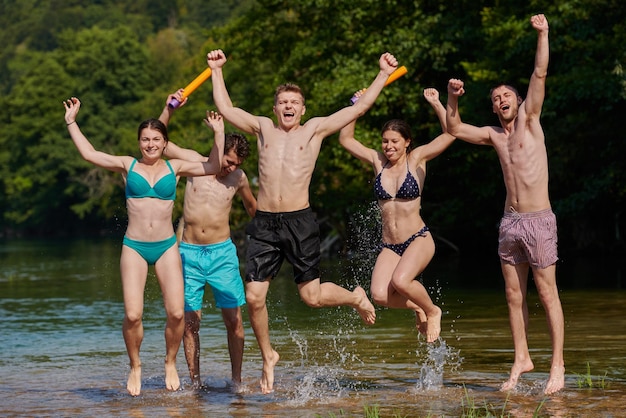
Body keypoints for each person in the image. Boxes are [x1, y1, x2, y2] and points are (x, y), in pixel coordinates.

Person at [206, 48, 399, 394]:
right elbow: (227, 109)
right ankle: (268, 356)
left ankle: (355, 297)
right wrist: (216, 70)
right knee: (253, 297)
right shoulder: (263, 128)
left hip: (299, 222)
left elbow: (359, 108)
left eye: (294, 102)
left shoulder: (314, 129)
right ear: (275, 106)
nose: (289, 107)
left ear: (303, 108)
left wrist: (382, 74)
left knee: (311, 296)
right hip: (265, 223)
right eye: (283, 102)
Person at [63, 97, 223, 396]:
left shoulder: (175, 168)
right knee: (133, 314)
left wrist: (218, 133)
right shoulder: (127, 165)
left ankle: (170, 362)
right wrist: (72, 121)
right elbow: (89, 154)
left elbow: (214, 165)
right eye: (145, 139)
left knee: (177, 313)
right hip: (135, 246)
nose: (150, 144)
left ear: (165, 142)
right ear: (139, 142)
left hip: (165, 247)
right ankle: (135, 366)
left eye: (156, 139)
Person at [445, 14, 565, 395]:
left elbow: (540, 73)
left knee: (547, 294)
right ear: (494, 109)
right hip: (510, 224)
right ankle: (521, 358)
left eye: (506, 96)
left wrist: (543, 33)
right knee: (514, 296)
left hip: (539, 220)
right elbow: (453, 128)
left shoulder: (531, 120)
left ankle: (558, 365)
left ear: (518, 100)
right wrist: (451, 97)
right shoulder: (494, 136)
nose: (501, 101)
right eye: (496, 99)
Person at [339, 88, 455, 343]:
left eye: (394, 141)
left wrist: (437, 103)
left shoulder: (417, 159)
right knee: (379, 295)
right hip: (390, 246)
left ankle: (433, 310)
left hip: (418, 239)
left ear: (407, 142)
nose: (388, 146)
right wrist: (356, 104)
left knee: (401, 281)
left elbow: (451, 133)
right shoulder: (377, 161)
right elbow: (346, 139)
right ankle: (417, 306)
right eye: (385, 141)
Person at [158, 90, 257, 391]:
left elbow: (253, 209)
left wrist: (268, 232)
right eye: (227, 161)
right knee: (189, 323)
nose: (229, 167)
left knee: (234, 320)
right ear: (218, 150)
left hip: (222, 255)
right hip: (188, 253)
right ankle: (195, 384)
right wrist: (168, 109)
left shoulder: (238, 178)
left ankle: (237, 382)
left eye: (235, 163)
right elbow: (161, 145)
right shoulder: (194, 163)